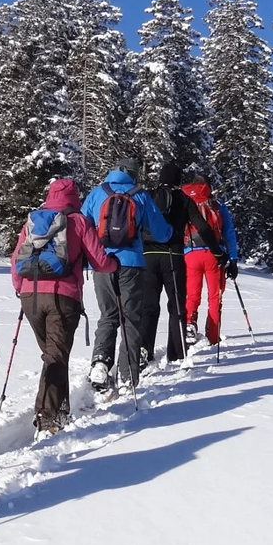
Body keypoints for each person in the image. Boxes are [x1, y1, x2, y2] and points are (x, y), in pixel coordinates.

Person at [9, 177, 114, 432]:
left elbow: (15, 260)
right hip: (63, 297)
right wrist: (115, 265)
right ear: (74, 196)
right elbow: (100, 261)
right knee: (55, 355)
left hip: (30, 296)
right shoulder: (79, 221)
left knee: (53, 354)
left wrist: (20, 288)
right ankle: (48, 417)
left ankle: (60, 410)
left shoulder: (33, 220)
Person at [80, 162, 171, 390]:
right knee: (130, 319)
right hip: (131, 263)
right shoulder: (140, 195)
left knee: (108, 315)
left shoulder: (97, 193)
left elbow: (82, 227)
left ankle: (100, 364)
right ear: (134, 175)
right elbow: (161, 233)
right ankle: (128, 374)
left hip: (102, 263)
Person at [138, 160, 227, 367]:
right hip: (173, 256)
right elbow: (202, 228)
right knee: (177, 306)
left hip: (148, 255)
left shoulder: (147, 196)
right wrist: (217, 251)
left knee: (149, 306)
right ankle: (176, 353)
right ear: (178, 180)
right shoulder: (183, 199)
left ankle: (144, 350)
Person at [182, 174, 239, 350]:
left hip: (190, 253)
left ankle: (190, 323)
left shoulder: (185, 202)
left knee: (192, 294)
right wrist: (233, 259)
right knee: (215, 296)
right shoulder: (217, 205)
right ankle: (213, 335)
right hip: (215, 255)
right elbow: (229, 233)